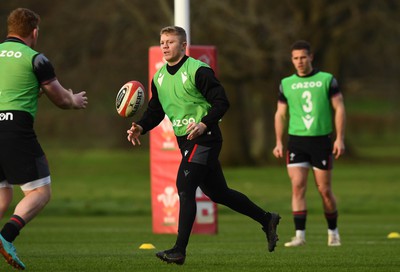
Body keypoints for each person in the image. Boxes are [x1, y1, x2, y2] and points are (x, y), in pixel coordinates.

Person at [127, 26, 280, 265]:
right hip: (185, 140)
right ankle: (267, 218)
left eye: (170, 41)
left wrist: (204, 123)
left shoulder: (198, 70)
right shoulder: (159, 78)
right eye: (162, 42)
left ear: (183, 45)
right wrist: (140, 126)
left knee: (185, 186)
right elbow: (155, 111)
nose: (165, 46)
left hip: (205, 138)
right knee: (219, 193)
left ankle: (179, 250)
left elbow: (222, 102)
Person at [0, 8, 88, 270]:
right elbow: (60, 99)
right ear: (35, 31)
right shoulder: (36, 59)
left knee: (3, 194)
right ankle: (6, 237)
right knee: (40, 191)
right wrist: (75, 100)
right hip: (15, 129)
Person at [272, 40, 346, 247]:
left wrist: (339, 138)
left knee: (324, 190)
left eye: (303, 57)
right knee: (297, 187)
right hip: (296, 141)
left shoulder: (327, 80)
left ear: (311, 57)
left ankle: (333, 232)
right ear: (292, 60)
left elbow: (339, 108)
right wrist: (278, 141)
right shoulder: (286, 83)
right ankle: (300, 235)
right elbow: (280, 114)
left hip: (321, 141)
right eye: (295, 58)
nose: (300, 62)